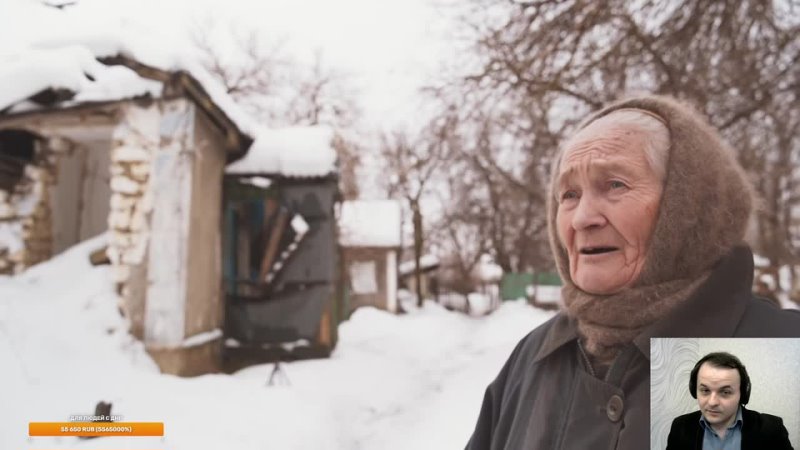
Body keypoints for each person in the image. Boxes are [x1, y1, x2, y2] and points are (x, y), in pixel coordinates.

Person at [464, 95, 800, 450]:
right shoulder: (535, 358)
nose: (582, 218)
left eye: (615, 185)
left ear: (687, 207)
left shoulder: (780, 354)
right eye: (569, 194)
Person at [666, 352, 794, 450]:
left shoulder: (771, 429)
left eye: (725, 392)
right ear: (694, 390)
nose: (712, 402)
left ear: (742, 393)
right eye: (705, 391)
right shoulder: (680, 427)